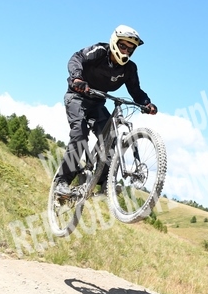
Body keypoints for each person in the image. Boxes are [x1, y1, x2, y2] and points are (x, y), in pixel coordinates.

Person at [54, 25, 157, 196]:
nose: (126, 51)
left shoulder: (129, 69)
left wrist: (146, 103)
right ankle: (62, 181)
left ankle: (103, 183)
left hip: (97, 103)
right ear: (115, 42)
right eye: (123, 46)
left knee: (111, 138)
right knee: (80, 135)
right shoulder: (100, 52)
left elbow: (135, 90)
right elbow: (76, 58)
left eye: (130, 49)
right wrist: (77, 78)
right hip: (77, 97)